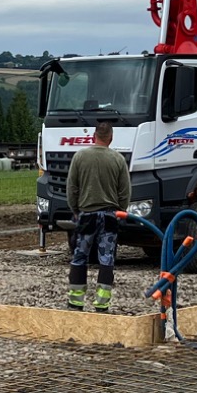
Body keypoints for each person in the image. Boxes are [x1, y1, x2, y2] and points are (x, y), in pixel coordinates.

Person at [65, 119, 132, 311]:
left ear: (93, 136)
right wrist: (121, 210)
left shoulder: (80, 157)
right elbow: (125, 191)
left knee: (80, 257)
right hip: (110, 216)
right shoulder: (118, 159)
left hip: (86, 216)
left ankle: (75, 302)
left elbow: (72, 188)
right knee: (107, 259)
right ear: (110, 138)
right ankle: (102, 304)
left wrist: (76, 210)